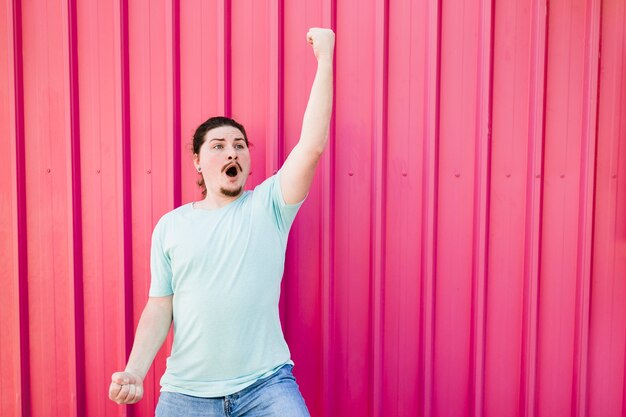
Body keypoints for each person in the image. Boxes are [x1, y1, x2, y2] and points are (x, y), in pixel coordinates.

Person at [108, 27, 334, 416]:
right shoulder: (171, 227)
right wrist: (135, 371)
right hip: (185, 394)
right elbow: (159, 308)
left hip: (266, 386)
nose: (232, 151)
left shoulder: (269, 206)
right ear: (197, 161)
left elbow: (311, 145)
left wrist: (326, 58)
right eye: (218, 146)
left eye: (239, 145)